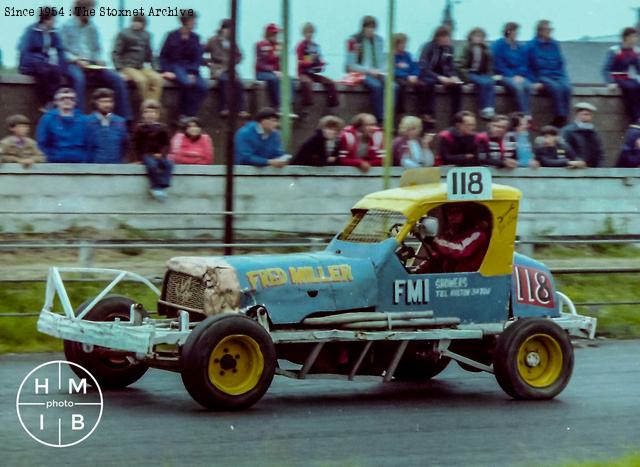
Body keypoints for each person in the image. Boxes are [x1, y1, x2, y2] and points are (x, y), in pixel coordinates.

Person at [61, 0, 132, 120]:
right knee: (79, 79)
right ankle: (80, 117)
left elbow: (97, 49)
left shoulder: (93, 27)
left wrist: (99, 60)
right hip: (73, 63)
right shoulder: (66, 26)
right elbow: (62, 50)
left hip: (91, 64)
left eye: (92, 10)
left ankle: (124, 118)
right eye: (88, 10)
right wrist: (76, 60)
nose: (90, 13)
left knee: (116, 79)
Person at [416, 203, 490, 274]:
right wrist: (419, 270)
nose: (452, 216)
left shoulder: (477, 234)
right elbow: (438, 256)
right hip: (450, 279)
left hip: (471, 281)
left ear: (466, 214)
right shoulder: (449, 235)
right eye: (449, 213)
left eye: (456, 212)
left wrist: (432, 240)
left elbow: (460, 250)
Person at [18, 8, 68, 111]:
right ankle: (43, 101)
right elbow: (24, 49)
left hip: (44, 61)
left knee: (55, 71)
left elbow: (60, 50)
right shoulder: (31, 31)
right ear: (46, 20)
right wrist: (25, 66)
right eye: (53, 19)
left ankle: (53, 100)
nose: (55, 22)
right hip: (30, 62)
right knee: (43, 70)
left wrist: (63, 68)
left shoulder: (53, 33)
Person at [159, 14, 208, 118]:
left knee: (203, 87)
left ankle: (190, 114)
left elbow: (197, 58)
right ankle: (183, 114)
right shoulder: (171, 36)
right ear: (186, 21)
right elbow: (163, 56)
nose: (195, 23)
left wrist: (192, 72)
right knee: (186, 83)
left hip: (191, 68)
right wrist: (166, 71)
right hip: (176, 66)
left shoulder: (195, 38)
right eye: (193, 21)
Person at [526, 20, 571, 127]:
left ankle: (566, 116)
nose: (550, 32)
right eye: (548, 30)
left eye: (551, 30)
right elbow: (526, 66)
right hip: (542, 76)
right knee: (554, 87)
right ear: (540, 31)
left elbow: (561, 63)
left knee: (567, 88)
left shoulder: (555, 45)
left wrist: (565, 78)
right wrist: (534, 81)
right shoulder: (530, 46)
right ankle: (559, 116)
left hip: (557, 75)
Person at [204, 18, 250, 118]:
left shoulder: (232, 42)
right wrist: (207, 63)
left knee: (238, 83)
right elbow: (200, 51)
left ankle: (241, 109)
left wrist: (234, 62)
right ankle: (224, 108)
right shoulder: (213, 40)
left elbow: (239, 55)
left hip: (230, 69)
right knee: (224, 80)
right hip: (218, 68)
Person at [112, 15, 164, 102]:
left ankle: (154, 104)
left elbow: (150, 54)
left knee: (157, 79)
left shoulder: (146, 35)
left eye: (139, 22)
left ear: (144, 24)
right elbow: (116, 53)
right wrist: (119, 69)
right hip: (128, 66)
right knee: (141, 80)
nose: (136, 24)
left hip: (141, 66)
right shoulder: (124, 34)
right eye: (135, 21)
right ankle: (146, 105)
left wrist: (156, 69)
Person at [418, 26, 463, 125]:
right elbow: (424, 67)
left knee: (457, 87)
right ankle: (427, 113)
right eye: (444, 37)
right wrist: (439, 77)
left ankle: (456, 116)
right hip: (429, 75)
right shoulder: (428, 47)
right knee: (428, 84)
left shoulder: (449, 49)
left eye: (448, 37)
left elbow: (450, 66)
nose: (447, 40)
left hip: (443, 75)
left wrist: (453, 76)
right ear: (438, 38)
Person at [346, 16, 387, 122]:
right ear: (363, 28)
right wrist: (368, 70)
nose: (370, 30)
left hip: (377, 72)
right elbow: (351, 65)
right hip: (360, 73)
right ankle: (380, 118)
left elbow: (384, 60)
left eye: (373, 28)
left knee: (393, 87)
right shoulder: (353, 41)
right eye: (368, 27)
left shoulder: (379, 40)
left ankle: (390, 115)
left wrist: (381, 70)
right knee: (376, 86)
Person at [131, 99, 173, 200]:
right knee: (152, 165)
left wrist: (162, 154)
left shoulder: (162, 128)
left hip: (158, 154)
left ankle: (163, 183)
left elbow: (166, 144)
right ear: (143, 114)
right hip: (146, 155)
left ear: (157, 114)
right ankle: (155, 187)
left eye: (153, 112)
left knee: (169, 164)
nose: (150, 114)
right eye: (147, 112)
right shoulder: (139, 128)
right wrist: (136, 158)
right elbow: (134, 144)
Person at [36, 87, 88, 163]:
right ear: (56, 102)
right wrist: (50, 157)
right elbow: (42, 143)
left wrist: (84, 158)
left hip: (80, 164)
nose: (67, 101)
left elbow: (89, 143)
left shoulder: (84, 120)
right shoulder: (47, 119)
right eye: (63, 99)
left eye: (71, 99)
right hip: (54, 163)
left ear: (75, 102)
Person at [492, 22, 532, 118]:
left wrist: (520, 74)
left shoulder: (520, 47)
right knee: (517, 87)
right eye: (515, 32)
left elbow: (523, 63)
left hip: (518, 75)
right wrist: (512, 75)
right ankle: (524, 114)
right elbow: (498, 64)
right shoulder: (498, 45)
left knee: (527, 85)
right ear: (509, 32)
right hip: (503, 75)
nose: (517, 34)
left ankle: (528, 112)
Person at [255, 23, 296, 114]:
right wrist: (273, 71)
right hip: (262, 72)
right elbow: (261, 64)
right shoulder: (261, 45)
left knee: (290, 80)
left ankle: (289, 104)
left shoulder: (278, 46)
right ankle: (278, 105)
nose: (276, 36)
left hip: (275, 72)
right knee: (274, 79)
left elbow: (280, 63)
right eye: (274, 34)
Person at [296, 22, 339, 109]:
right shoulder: (301, 45)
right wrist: (312, 60)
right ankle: (306, 108)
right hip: (303, 73)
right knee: (307, 83)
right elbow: (300, 61)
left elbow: (319, 60)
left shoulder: (316, 46)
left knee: (330, 82)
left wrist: (321, 64)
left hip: (313, 73)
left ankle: (332, 107)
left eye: (311, 32)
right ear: (303, 34)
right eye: (307, 32)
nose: (309, 35)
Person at [457, 28, 496, 120]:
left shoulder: (485, 49)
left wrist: (488, 52)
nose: (479, 39)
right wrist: (465, 77)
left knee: (490, 82)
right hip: (469, 72)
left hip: (481, 73)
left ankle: (489, 107)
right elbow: (458, 64)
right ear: (471, 37)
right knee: (482, 83)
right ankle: (483, 108)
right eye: (477, 36)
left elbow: (489, 65)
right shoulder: (466, 47)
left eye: (481, 37)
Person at [603, 27, 640, 122]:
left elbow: (638, 69)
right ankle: (635, 117)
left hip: (626, 77)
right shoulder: (615, 50)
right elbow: (605, 69)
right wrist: (610, 82)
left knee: (636, 85)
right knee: (631, 88)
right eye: (634, 36)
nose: (636, 39)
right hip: (615, 77)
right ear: (627, 37)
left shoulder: (635, 51)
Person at [85, 88, 128, 163]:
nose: (108, 105)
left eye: (110, 101)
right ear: (96, 102)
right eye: (103, 102)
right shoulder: (87, 122)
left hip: (115, 168)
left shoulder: (120, 122)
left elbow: (124, 146)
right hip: (93, 168)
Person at [560, 102, 604, 168]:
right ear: (577, 115)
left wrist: (600, 169)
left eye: (588, 114)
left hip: (591, 170)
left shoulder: (594, 132)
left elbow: (600, 153)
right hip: (573, 169)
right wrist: (570, 162)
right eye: (583, 114)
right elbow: (562, 149)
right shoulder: (567, 131)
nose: (586, 117)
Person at [393, 33, 421, 117]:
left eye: (405, 43)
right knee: (402, 86)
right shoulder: (392, 56)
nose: (404, 45)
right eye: (402, 43)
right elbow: (393, 70)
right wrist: (406, 76)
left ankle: (420, 111)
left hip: (410, 77)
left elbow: (415, 67)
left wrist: (415, 75)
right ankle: (400, 112)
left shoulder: (408, 55)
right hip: (399, 78)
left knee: (422, 85)